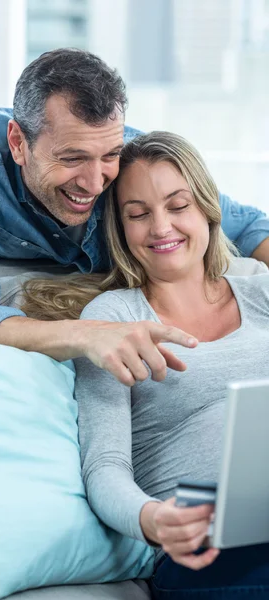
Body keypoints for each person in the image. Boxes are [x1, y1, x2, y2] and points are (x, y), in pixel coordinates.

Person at [0, 48, 269, 385]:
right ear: (18, 143)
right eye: (72, 158)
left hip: (70, 249)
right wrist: (89, 333)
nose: (94, 183)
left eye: (108, 156)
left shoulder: (128, 154)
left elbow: (251, 227)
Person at [21, 131, 269, 598]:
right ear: (121, 228)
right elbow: (105, 466)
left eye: (178, 206)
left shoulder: (264, 295)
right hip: (206, 548)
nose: (160, 228)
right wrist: (153, 519)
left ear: (207, 211)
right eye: (138, 214)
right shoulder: (114, 318)